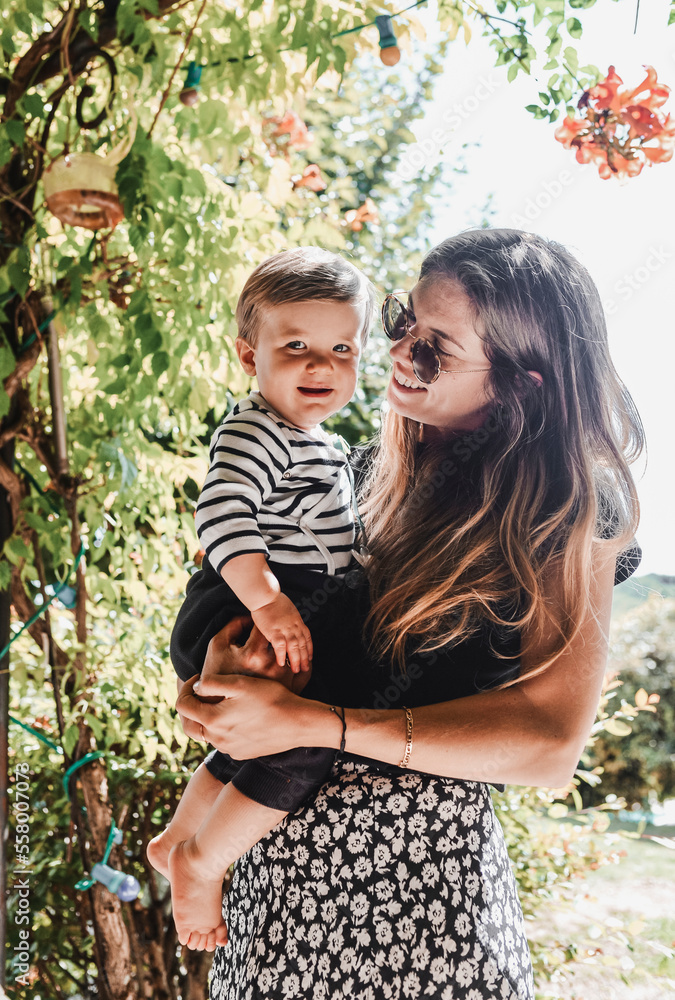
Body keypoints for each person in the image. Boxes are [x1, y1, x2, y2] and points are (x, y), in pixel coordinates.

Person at [175, 229, 644, 998]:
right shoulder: (350, 477)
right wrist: (217, 682)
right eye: (402, 322)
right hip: (272, 889)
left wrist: (319, 725)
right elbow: (239, 604)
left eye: (434, 349)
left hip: (421, 901)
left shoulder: (570, 506)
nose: (397, 352)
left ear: (518, 384)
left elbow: (549, 744)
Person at [147, 247, 376, 949]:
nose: (321, 365)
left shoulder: (318, 442)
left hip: (276, 601)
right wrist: (267, 602)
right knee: (301, 739)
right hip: (245, 604)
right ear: (250, 357)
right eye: (297, 346)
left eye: (342, 348)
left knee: (264, 736)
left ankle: (180, 836)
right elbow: (221, 514)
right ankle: (201, 862)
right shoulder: (255, 431)